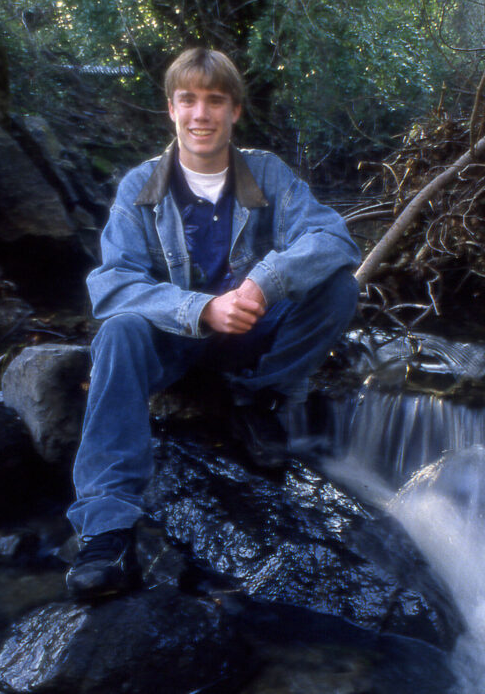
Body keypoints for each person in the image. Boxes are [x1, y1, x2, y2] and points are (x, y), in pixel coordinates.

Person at [64, 48, 360, 599]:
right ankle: (106, 530)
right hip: (174, 344)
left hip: (247, 339)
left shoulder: (268, 171)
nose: (201, 114)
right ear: (171, 109)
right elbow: (112, 285)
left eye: (215, 100)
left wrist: (263, 283)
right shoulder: (139, 187)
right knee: (118, 330)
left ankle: (256, 399)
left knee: (340, 286)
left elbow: (333, 239)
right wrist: (198, 308)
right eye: (189, 100)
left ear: (235, 111)